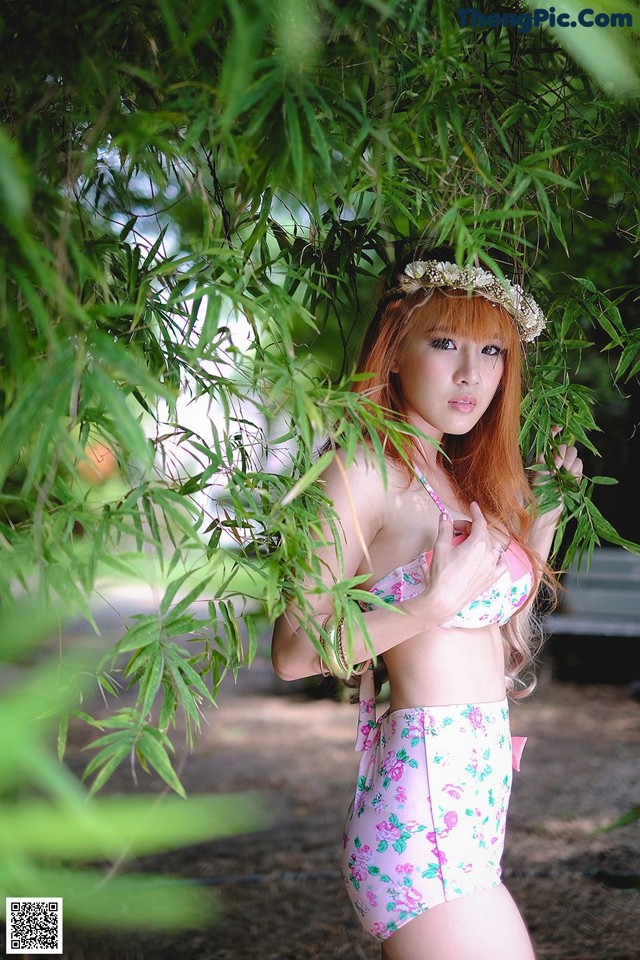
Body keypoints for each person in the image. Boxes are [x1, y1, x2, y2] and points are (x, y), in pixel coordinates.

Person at [271, 253, 583, 960]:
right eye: (445, 343)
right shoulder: (361, 469)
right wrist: (433, 602)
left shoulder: (453, 475)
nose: (471, 373)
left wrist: (538, 528)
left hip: (473, 808)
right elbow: (293, 651)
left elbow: (484, 647)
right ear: (396, 348)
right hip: (424, 816)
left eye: (492, 351)